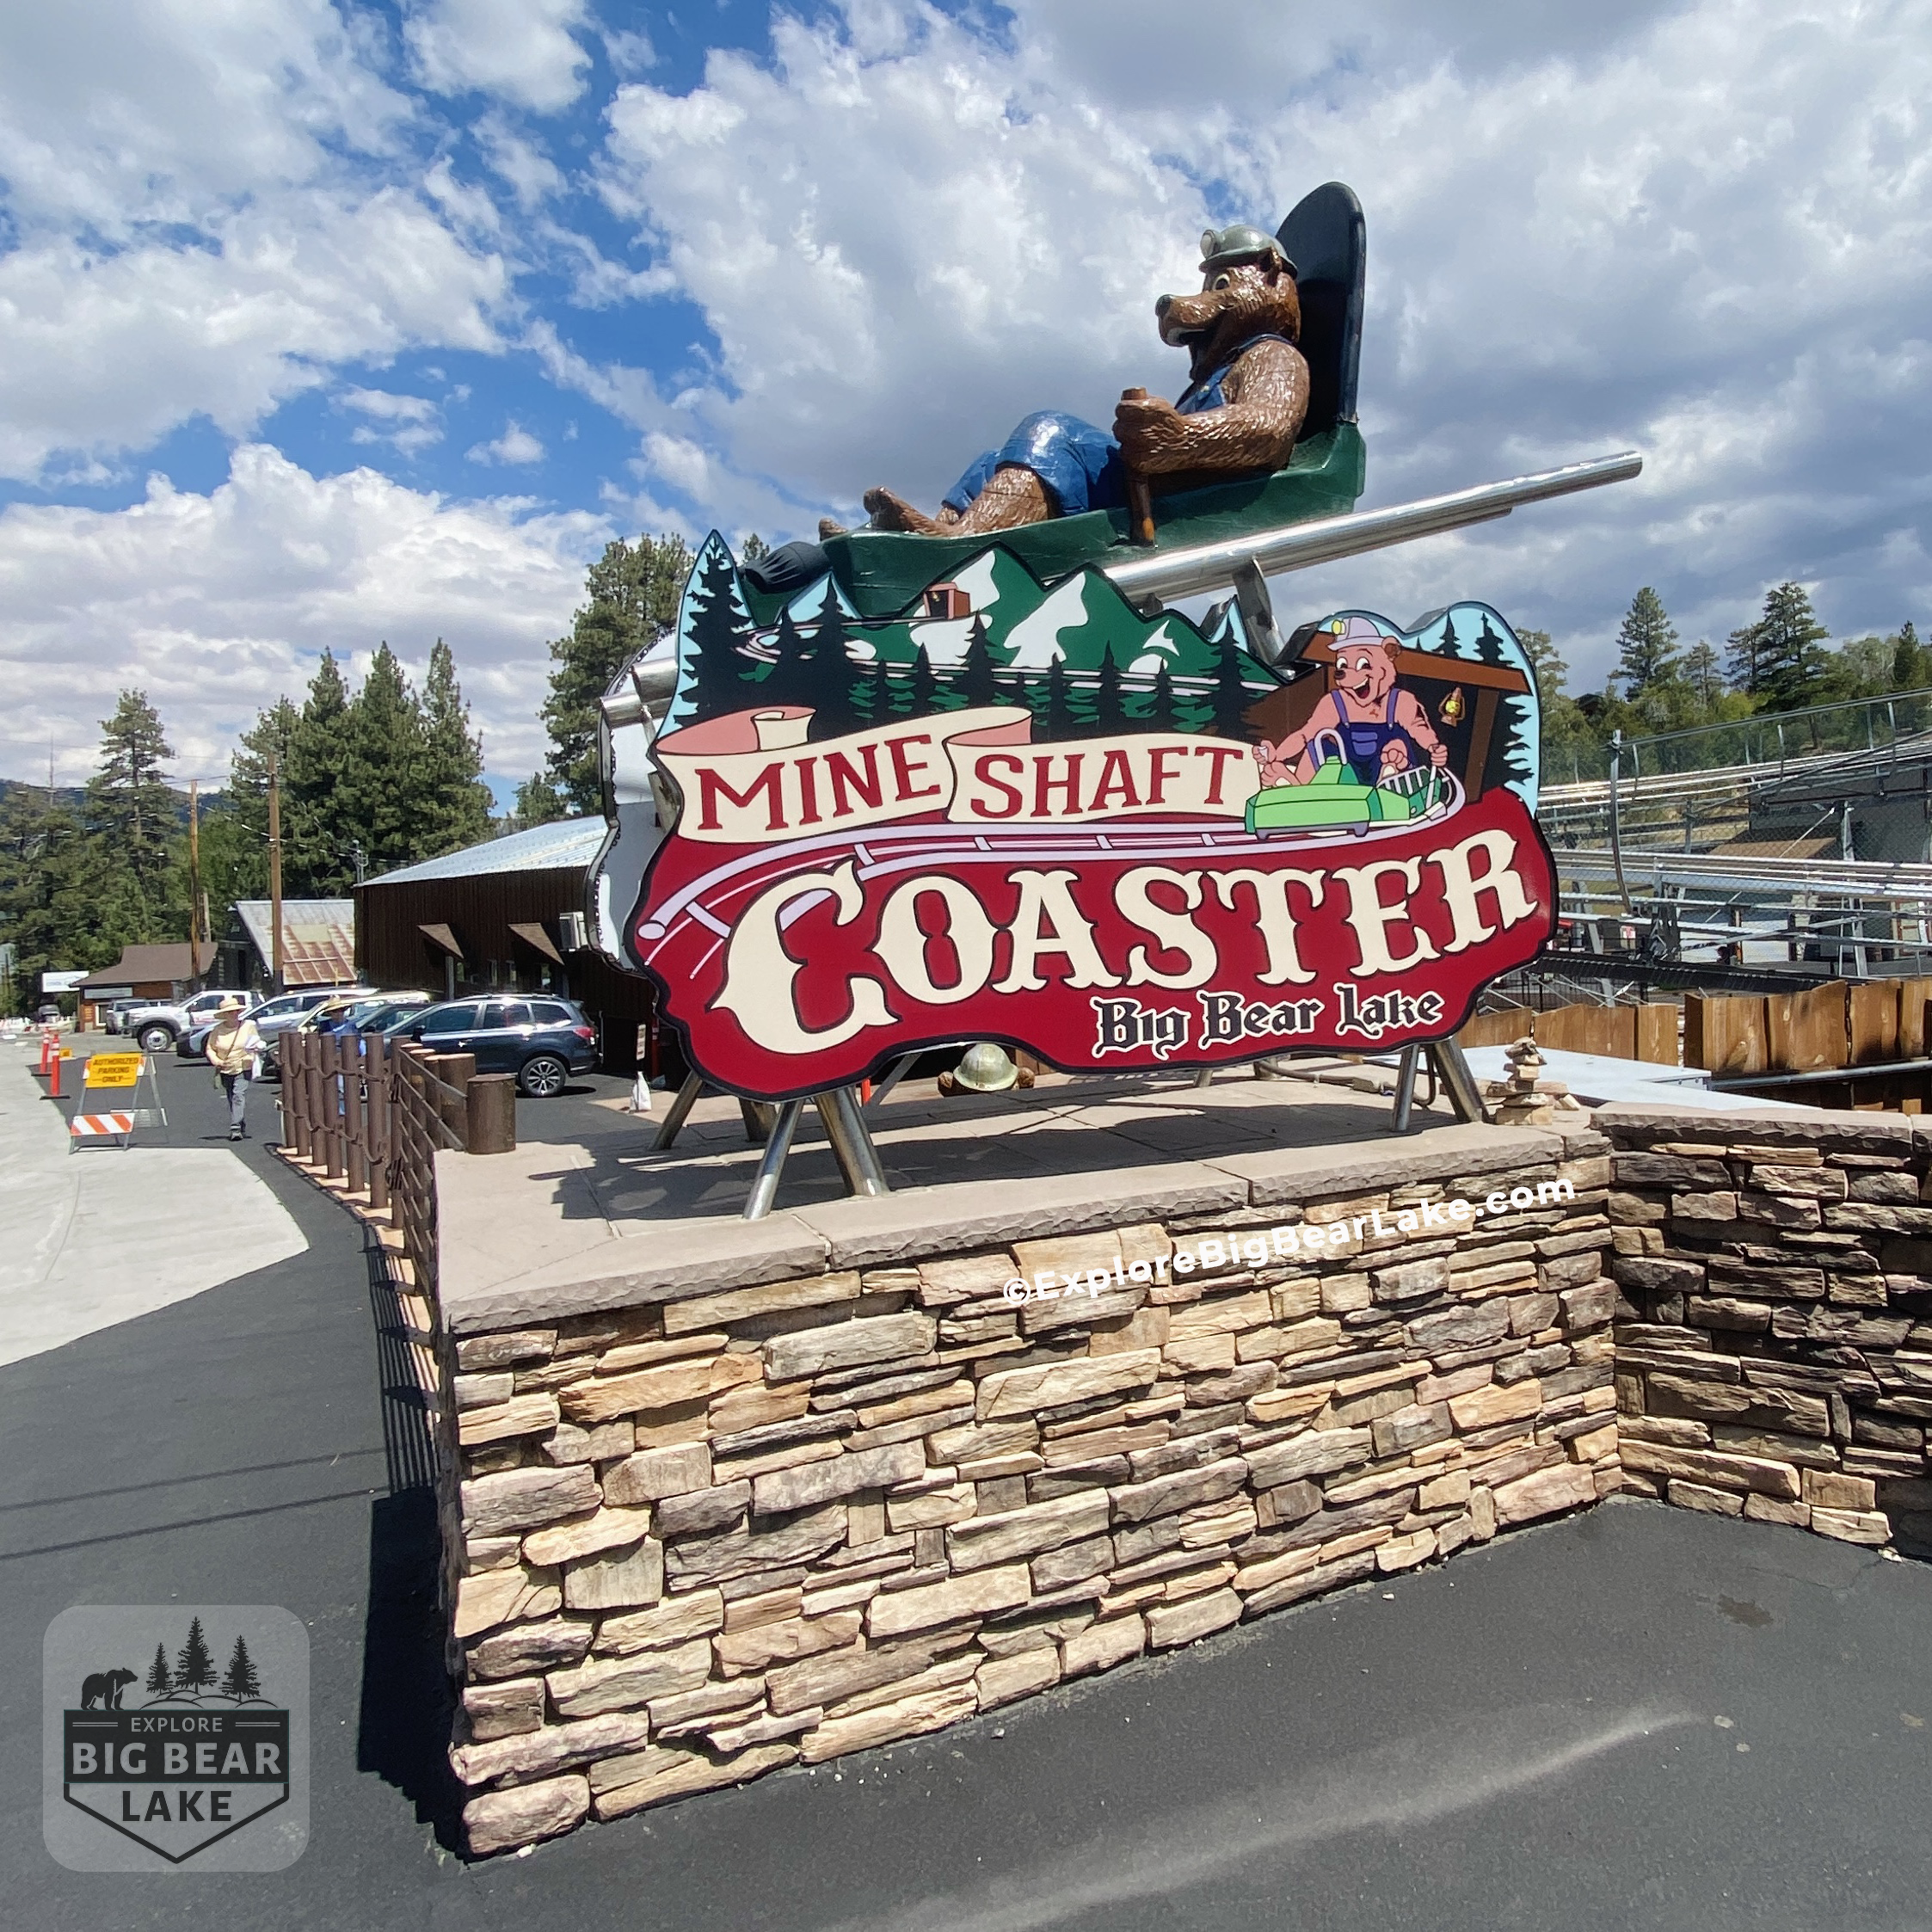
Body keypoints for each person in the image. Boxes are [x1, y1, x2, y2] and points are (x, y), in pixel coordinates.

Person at [205, 994, 263, 1141]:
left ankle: (235, 1127)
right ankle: (240, 1122)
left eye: (236, 1011)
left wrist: (256, 1049)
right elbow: (210, 1048)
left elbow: (255, 1042)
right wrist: (216, 1060)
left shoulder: (248, 1026)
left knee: (238, 1095)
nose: (234, 1014)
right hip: (225, 1068)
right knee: (232, 1097)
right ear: (224, 1015)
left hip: (243, 1066)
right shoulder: (217, 1030)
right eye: (230, 1012)